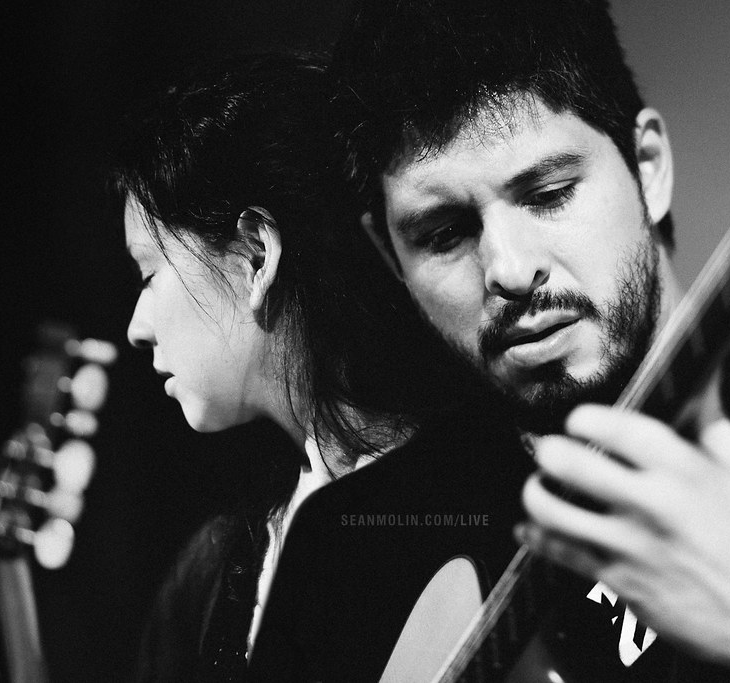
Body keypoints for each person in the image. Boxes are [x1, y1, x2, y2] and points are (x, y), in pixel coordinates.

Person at [248, 1, 730, 681]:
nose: (510, 270)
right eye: (444, 234)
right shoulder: (340, 555)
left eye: (549, 193)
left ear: (648, 167)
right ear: (389, 255)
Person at [111, 51, 470, 681]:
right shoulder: (211, 573)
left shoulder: (481, 484)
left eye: (149, 273)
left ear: (256, 256)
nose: (135, 329)